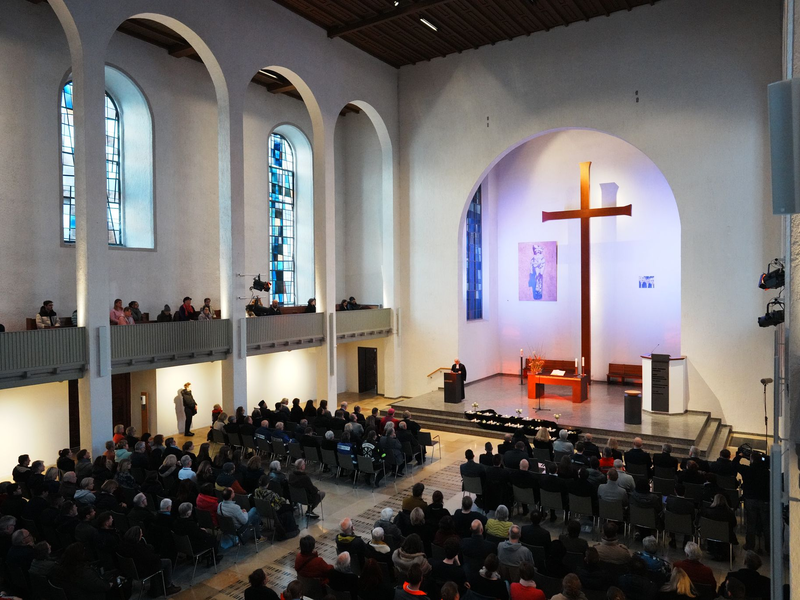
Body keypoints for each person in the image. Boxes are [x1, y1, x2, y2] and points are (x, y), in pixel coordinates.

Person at [119, 525, 181, 595]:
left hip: (132, 570)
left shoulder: (125, 546)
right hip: (143, 569)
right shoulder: (138, 548)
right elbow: (150, 558)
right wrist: (158, 556)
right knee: (168, 562)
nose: (142, 535)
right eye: (141, 533)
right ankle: (169, 586)